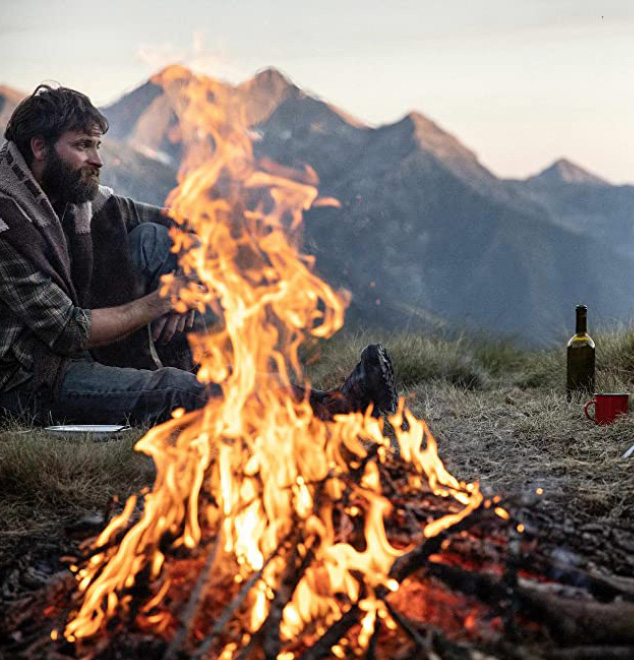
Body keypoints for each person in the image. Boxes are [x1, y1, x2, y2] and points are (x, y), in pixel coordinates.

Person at [0, 84, 396, 426]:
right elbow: (68, 330)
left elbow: (176, 223)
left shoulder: (72, 198)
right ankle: (330, 407)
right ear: (39, 147)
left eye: (98, 145)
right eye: (83, 146)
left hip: (75, 342)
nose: (98, 160)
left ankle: (198, 370)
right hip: (32, 378)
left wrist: (197, 269)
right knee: (174, 392)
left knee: (158, 240)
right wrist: (162, 301)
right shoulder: (7, 222)